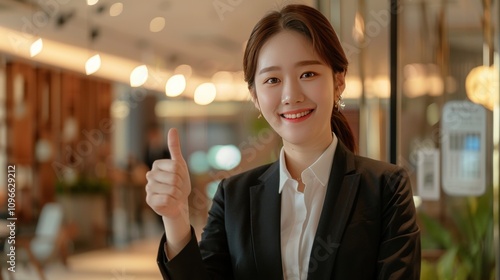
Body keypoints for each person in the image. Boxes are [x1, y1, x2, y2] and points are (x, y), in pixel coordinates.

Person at [145, 4, 420, 280]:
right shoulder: (234, 198)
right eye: (273, 79)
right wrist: (175, 216)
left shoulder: (386, 188)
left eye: (308, 74)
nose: (291, 95)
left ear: (338, 81)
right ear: (255, 96)